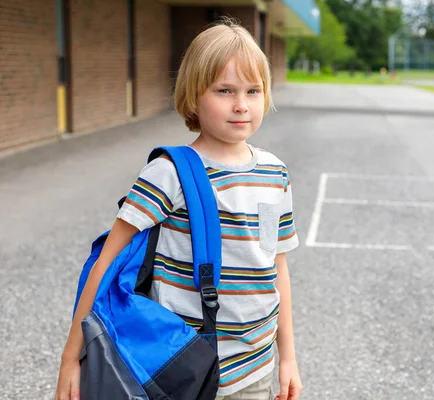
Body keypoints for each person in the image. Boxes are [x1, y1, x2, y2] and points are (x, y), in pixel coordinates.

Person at [55, 19, 302, 400]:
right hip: (182, 366)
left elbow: (275, 264)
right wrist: (73, 357)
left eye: (253, 90)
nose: (241, 105)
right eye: (224, 90)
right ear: (193, 96)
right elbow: (106, 261)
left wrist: (288, 358)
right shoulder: (169, 173)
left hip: (255, 366)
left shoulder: (273, 173)